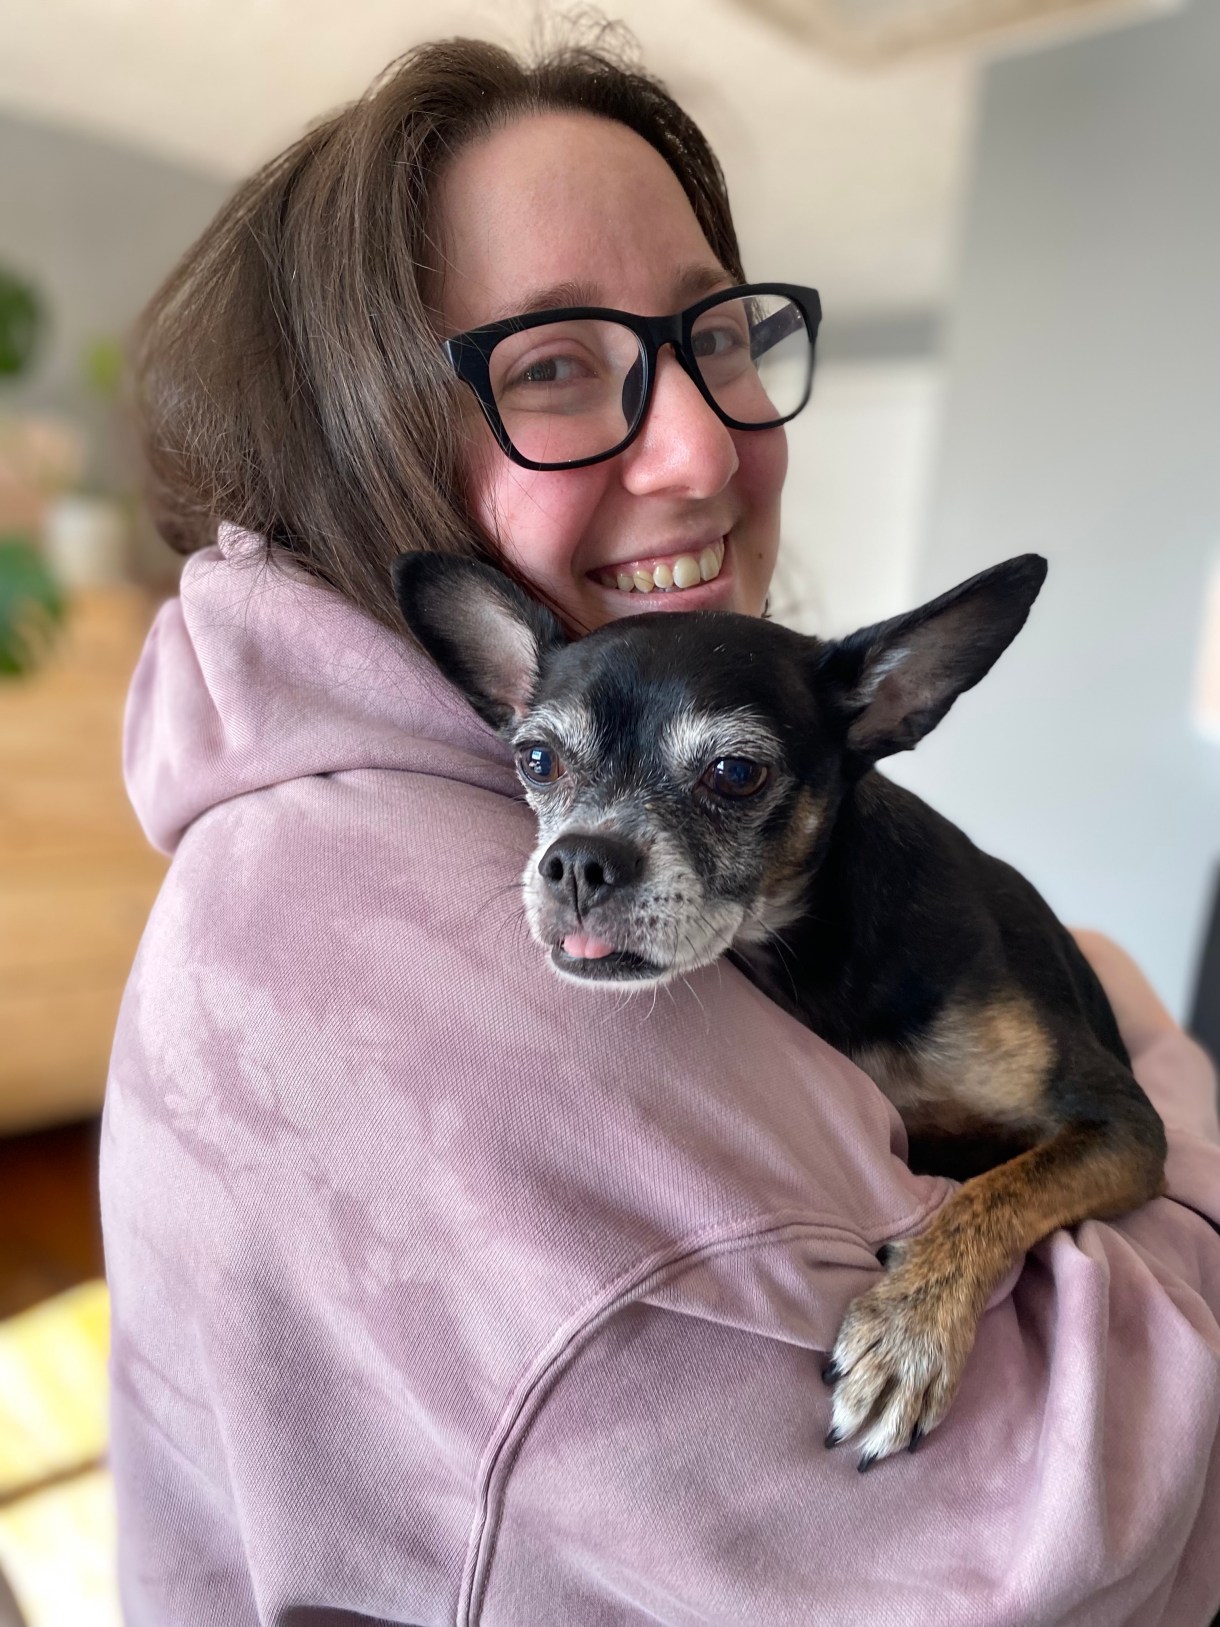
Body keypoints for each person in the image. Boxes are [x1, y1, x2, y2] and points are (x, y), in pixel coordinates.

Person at [101, 24, 1220, 1627]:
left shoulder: (359, 803)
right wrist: (1152, 1025)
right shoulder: (378, 959)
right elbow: (1077, 1560)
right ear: (355, 436)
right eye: (552, 363)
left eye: (720, 334)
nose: (708, 448)